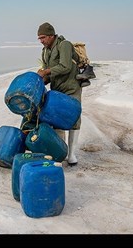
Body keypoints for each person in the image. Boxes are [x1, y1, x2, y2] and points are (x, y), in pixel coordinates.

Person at [36, 22, 82, 166]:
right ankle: (61, 153)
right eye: (39, 38)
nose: (41, 41)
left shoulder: (65, 45)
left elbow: (65, 66)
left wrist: (46, 72)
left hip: (71, 87)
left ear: (51, 35)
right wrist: (43, 79)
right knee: (57, 120)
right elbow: (51, 71)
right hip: (57, 89)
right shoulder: (46, 51)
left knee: (73, 118)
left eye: (43, 37)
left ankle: (72, 155)